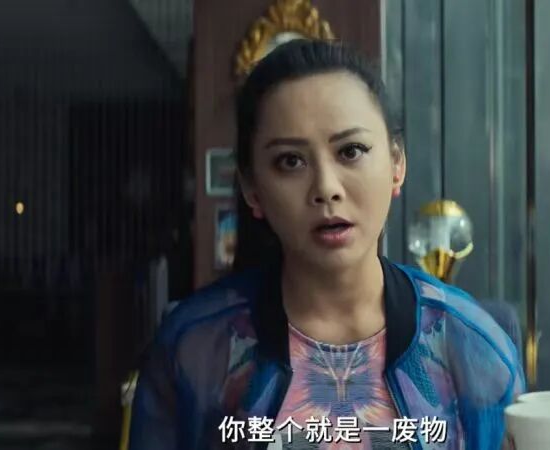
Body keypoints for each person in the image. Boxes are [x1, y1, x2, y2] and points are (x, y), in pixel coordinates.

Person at [127, 40, 526, 450]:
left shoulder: (473, 346)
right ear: (252, 188)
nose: (326, 187)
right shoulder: (194, 349)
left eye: (351, 151)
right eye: (290, 161)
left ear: (397, 164)